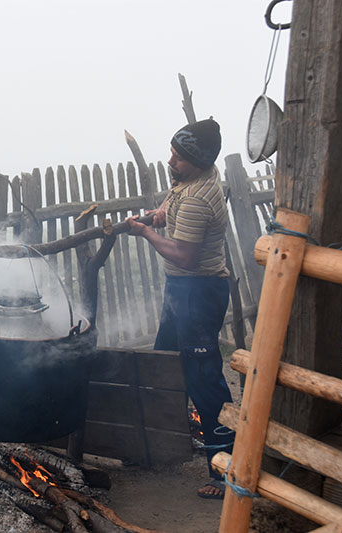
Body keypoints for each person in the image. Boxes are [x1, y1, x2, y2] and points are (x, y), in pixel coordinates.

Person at [126, 118, 234, 500]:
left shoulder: (197, 198)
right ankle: (158, 449)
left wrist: (147, 233)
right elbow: (174, 199)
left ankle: (225, 470)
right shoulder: (190, 181)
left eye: (179, 157)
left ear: (199, 161)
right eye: (172, 152)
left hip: (198, 292)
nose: (171, 160)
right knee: (163, 366)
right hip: (183, 291)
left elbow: (184, 256)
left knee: (204, 381)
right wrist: (159, 214)